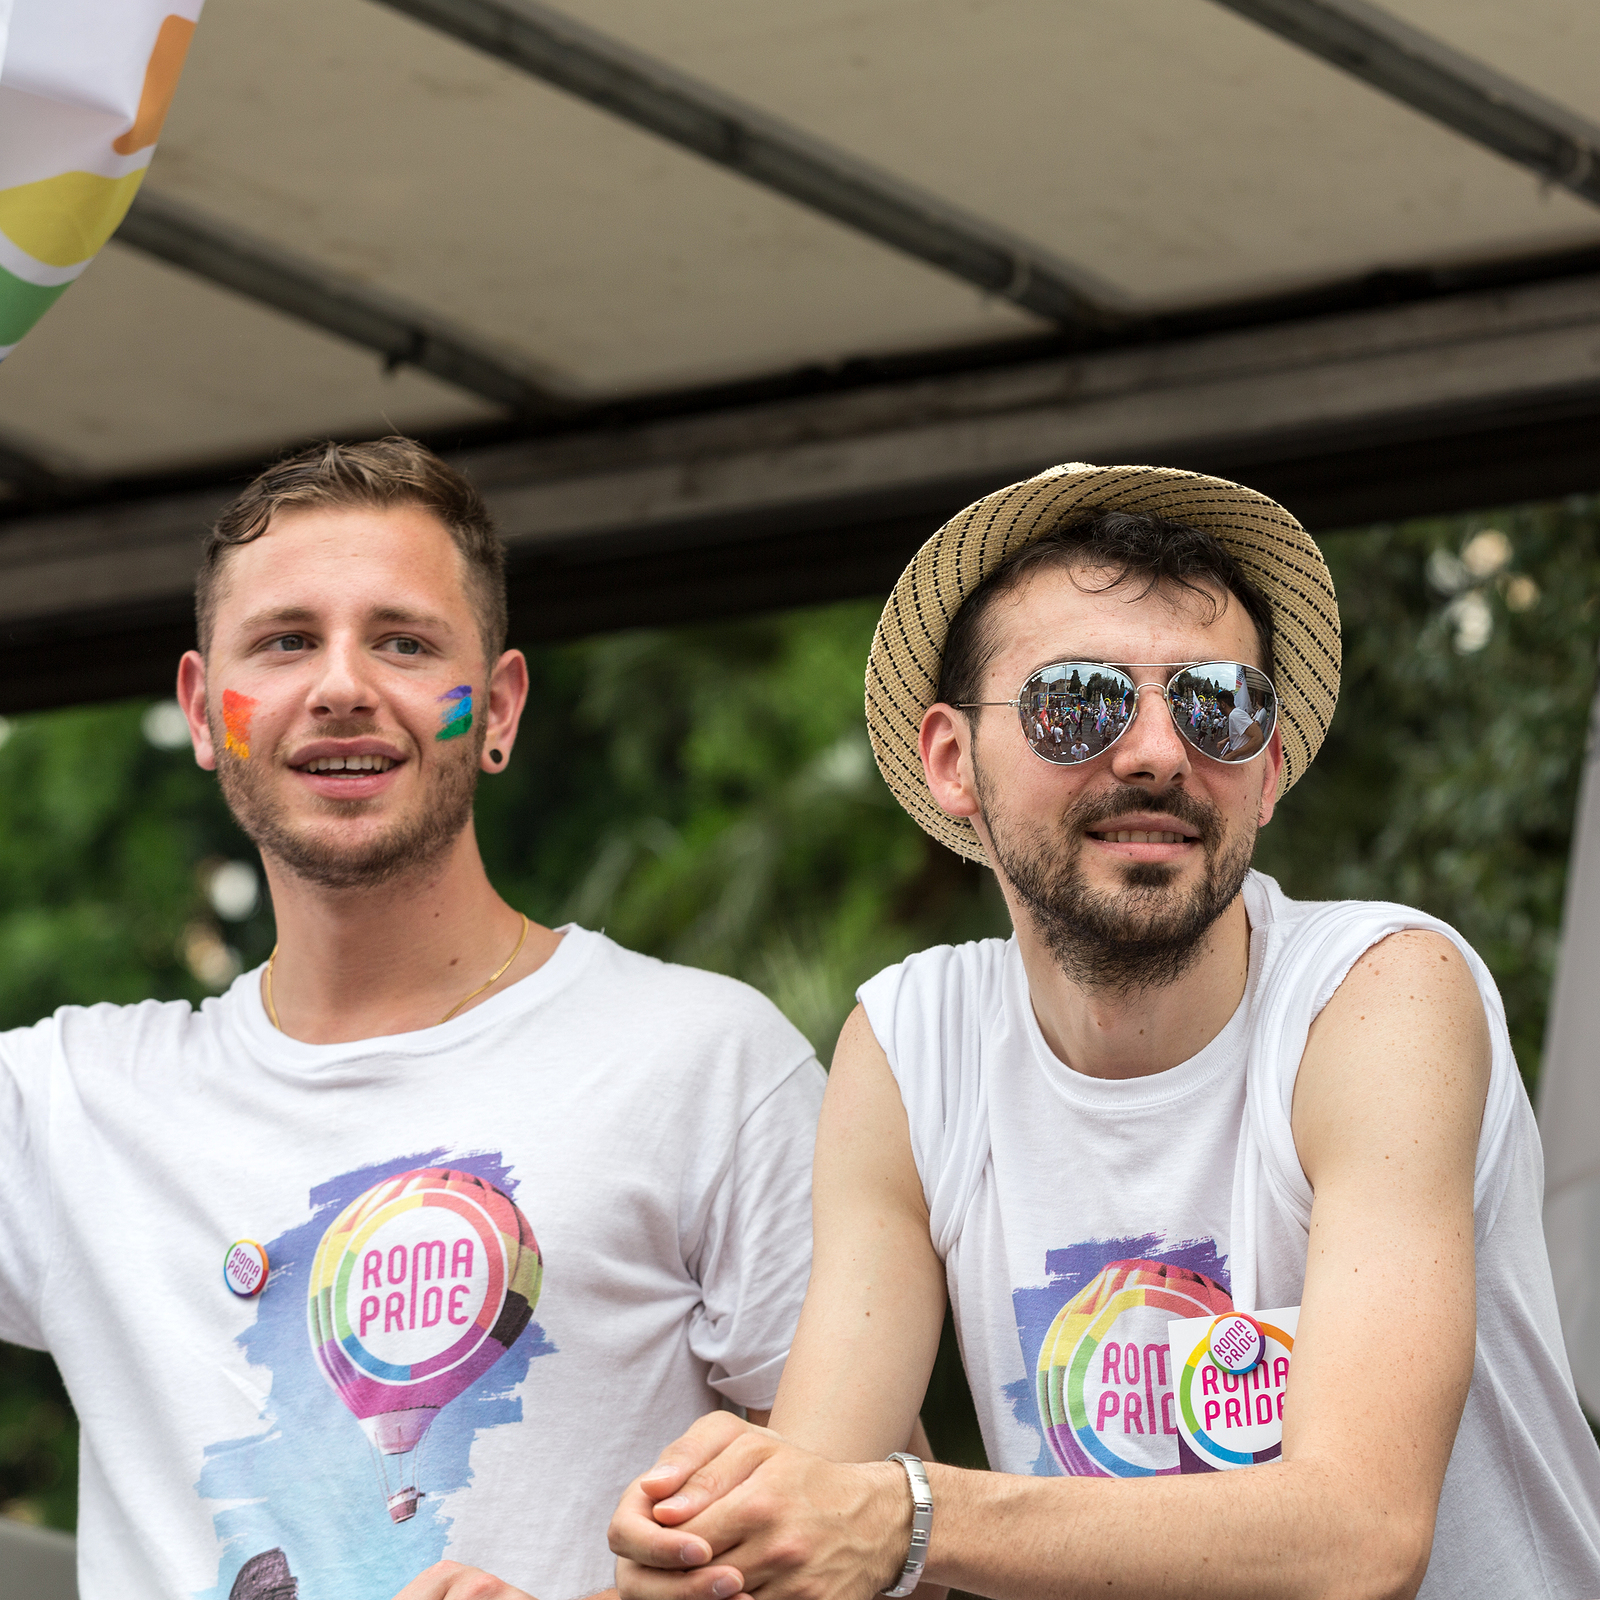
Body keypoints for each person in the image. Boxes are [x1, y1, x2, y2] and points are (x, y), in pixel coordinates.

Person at [607, 463, 1600, 1600]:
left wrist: (911, 1511)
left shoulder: (1379, 992)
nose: (1156, 752)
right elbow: (819, 1511)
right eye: (1076, 699)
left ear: (1267, 769)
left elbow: (1359, 1535)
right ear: (949, 763)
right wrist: (690, 1563)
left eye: (1217, 702)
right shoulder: (913, 1041)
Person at [0, 439, 826, 1600]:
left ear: (497, 709)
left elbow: (882, 1549)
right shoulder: (60, 1106)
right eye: (286, 640)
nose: (341, 684)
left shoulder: (707, 1061)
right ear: (201, 711)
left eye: (402, 640)